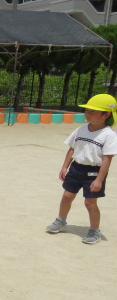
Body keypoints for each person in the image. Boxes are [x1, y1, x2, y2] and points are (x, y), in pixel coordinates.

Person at [46, 94, 117, 245]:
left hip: (94, 172)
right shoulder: (81, 130)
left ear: (106, 115)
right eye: (87, 110)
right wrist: (65, 166)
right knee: (67, 196)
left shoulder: (109, 135)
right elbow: (72, 148)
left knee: (90, 202)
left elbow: (107, 159)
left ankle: (94, 230)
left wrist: (99, 180)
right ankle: (61, 220)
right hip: (76, 168)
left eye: (92, 111)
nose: (87, 114)